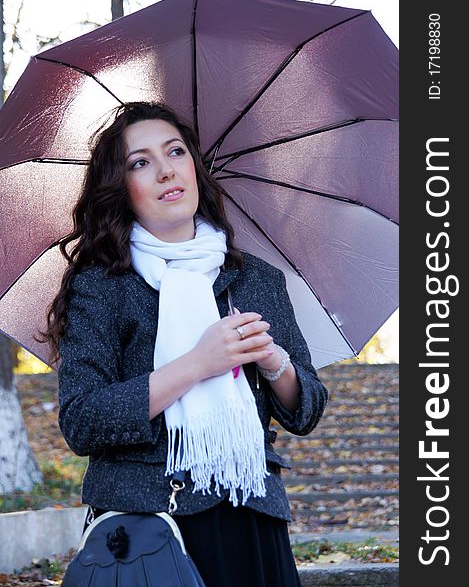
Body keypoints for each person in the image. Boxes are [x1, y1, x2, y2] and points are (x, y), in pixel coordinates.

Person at [43, 101, 328, 587]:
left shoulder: (255, 279)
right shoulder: (101, 285)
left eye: (174, 151)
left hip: (250, 516)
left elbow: (306, 411)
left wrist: (274, 361)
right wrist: (197, 364)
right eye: (141, 162)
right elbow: (82, 420)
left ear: (194, 166)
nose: (165, 170)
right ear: (122, 188)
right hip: (150, 525)